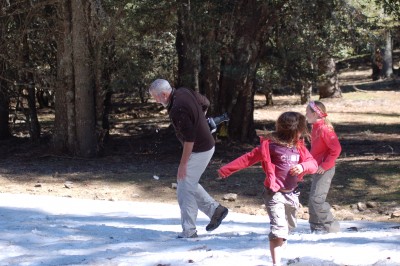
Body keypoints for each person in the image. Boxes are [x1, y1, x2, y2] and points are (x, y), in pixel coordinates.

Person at [217, 112, 317, 266]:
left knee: (288, 227)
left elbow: (313, 164)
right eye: (300, 131)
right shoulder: (270, 146)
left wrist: (302, 166)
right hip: (274, 193)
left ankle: (279, 250)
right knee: (278, 229)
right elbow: (248, 158)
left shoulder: (299, 147)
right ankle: (276, 263)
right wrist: (226, 170)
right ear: (293, 131)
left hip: (292, 194)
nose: (301, 134)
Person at [148, 79, 228, 239]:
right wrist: (200, 121)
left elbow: (190, 140)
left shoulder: (177, 108)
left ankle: (189, 231)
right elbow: (205, 102)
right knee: (187, 183)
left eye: (156, 97)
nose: (156, 101)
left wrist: (183, 164)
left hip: (201, 149)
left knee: (184, 188)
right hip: (204, 145)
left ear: (164, 94)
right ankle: (215, 210)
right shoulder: (183, 91)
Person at [305, 101, 342, 233]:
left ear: (315, 114)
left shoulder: (324, 129)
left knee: (317, 199)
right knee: (312, 199)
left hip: (325, 169)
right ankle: (316, 227)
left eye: (307, 112)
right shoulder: (316, 127)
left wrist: (325, 165)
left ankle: (332, 227)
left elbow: (336, 149)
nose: (305, 115)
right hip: (318, 168)